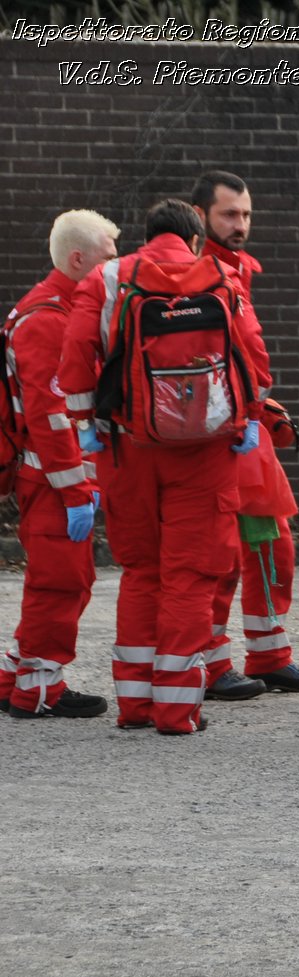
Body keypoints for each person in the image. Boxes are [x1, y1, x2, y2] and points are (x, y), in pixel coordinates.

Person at [58, 199, 273, 735]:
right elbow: (256, 363)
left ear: (145, 236)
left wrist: (90, 428)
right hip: (205, 453)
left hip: (128, 449)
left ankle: (134, 704)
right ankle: (177, 710)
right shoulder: (223, 279)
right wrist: (245, 419)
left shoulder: (110, 278)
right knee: (192, 577)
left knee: (141, 572)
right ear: (196, 238)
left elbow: (73, 365)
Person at [191, 170, 299, 699]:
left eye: (245, 214)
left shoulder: (236, 272)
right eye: (229, 214)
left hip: (249, 428)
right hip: (220, 435)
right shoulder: (196, 275)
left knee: (272, 546)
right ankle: (211, 660)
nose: (241, 224)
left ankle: (269, 654)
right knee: (222, 553)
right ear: (201, 215)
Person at [0, 210, 120, 719]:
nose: (115, 266)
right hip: (51, 480)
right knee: (62, 581)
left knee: (57, 578)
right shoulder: (49, 320)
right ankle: (41, 687)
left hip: (50, 476)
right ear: (79, 259)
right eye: (108, 257)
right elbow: (51, 417)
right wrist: (75, 490)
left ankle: (17, 673)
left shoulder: (56, 309)